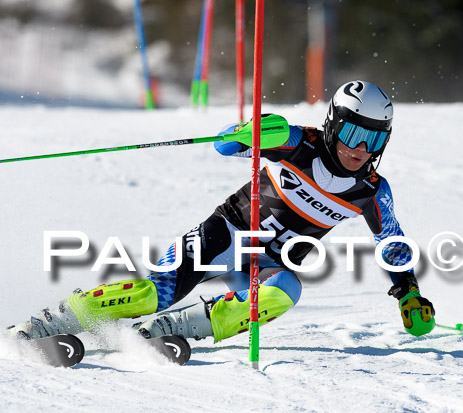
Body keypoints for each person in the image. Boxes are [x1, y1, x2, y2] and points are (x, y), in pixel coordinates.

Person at [6, 80, 436, 344]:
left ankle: (176, 329)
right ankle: (56, 320)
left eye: (374, 140)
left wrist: (409, 292)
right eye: (354, 133)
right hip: (225, 233)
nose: (360, 149)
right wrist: (249, 131)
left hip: (265, 264)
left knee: (286, 289)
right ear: (333, 124)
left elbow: (392, 246)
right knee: (156, 293)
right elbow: (225, 145)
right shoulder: (295, 142)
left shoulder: (371, 191)